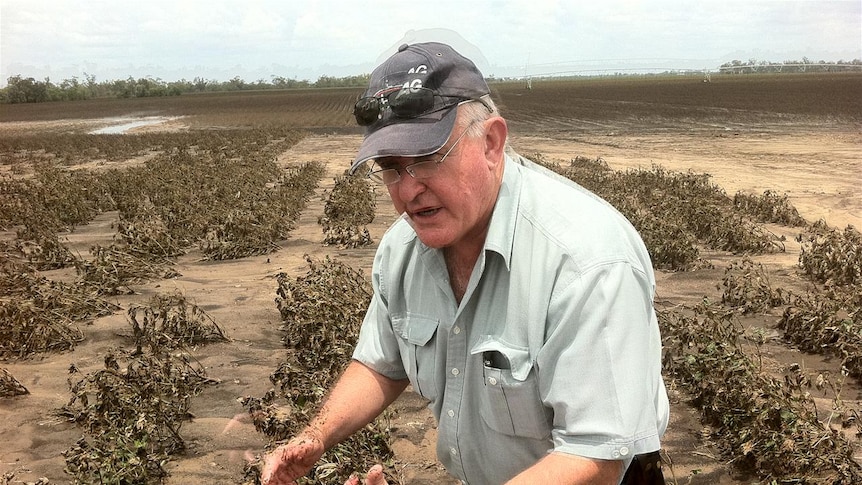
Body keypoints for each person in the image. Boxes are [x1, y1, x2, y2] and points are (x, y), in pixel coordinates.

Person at [262, 41, 669, 485]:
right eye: (391, 166)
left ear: (492, 142)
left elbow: (596, 458)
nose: (407, 190)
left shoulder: (587, 261)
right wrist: (314, 438)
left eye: (426, 158)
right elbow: (381, 362)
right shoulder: (404, 248)